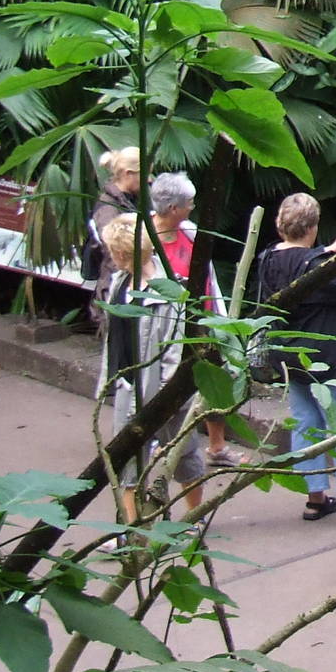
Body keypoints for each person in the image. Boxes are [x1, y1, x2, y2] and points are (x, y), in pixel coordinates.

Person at [254, 193, 336, 526]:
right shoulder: (322, 269)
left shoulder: (266, 259)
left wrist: (327, 252)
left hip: (288, 356)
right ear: (313, 226)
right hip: (328, 360)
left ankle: (315, 497)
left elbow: (302, 264)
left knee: (306, 424)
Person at [97, 214, 203, 521]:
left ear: (122, 253)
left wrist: (167, 399)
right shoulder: (120, 282)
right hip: (128, 384)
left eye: (113, 252)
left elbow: (174, 350)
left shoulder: (168, 292)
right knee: (126, 458)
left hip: (162, 391)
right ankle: (131, 530)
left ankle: (193, 519)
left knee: (184, 453)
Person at [149, 171, 240, 470]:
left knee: (216, 382)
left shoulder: (189, 230)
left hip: (205, 322)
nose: (192, 206)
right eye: (189, 202)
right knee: (171, 386)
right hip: (169, 330)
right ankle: (161, 444)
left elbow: (208, 278)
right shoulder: (143, 240)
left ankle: (217, 446)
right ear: (173, 207)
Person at [87, 146, 142, 323]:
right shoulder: (108, 209)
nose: (148, 179)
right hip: (114, 288)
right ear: (128, 174)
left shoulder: (129, 202)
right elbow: (112, 252)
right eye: (144, 173)